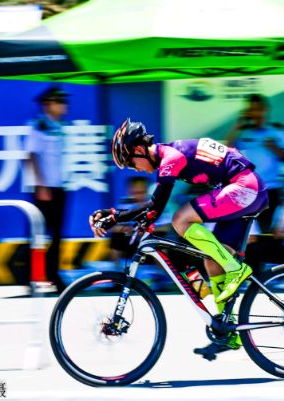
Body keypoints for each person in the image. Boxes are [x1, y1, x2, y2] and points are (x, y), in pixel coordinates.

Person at [89, 119, 268, 358]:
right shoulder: (169, 156)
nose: (135, 169)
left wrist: (114, 216)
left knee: (181, 219)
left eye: (131, 162)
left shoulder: (170, 158)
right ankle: (229, 332)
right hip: (240, 188)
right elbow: (152, 210)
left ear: (140, 150)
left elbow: (155, 207)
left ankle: (235, 270)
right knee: (212, 260)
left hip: (244, 186)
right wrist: (117, 216)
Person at [225, 94, 284, 233]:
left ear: (265, 110)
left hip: (271, 189)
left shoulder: (277, 132)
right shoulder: (244, 132)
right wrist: (237, 126)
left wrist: (273, 147)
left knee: (270, 230)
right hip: (249, 189)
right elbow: (227, 151)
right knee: (250, 231)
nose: (254, 113)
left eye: (257, 109)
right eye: (251, 109)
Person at [25, 85, 70, 294]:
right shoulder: (39, 126)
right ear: (48, 104)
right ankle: (30, 276)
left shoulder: (59, 126)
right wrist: (40, 185)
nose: (64, 105)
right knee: (39, 233)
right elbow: (31, 155)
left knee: (58, 235)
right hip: (44, 189)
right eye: (59, 101)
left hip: (59, 187)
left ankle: (53, 274)